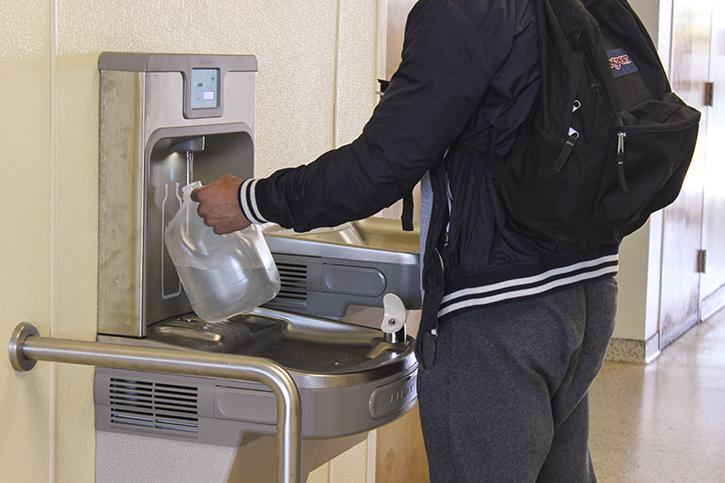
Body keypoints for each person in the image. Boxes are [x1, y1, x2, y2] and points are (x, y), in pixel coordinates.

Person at [193, 0, 618, 481]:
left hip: (503, 307)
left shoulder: (462, 11)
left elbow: (379, 168)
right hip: (587, 288)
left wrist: (251, 200)